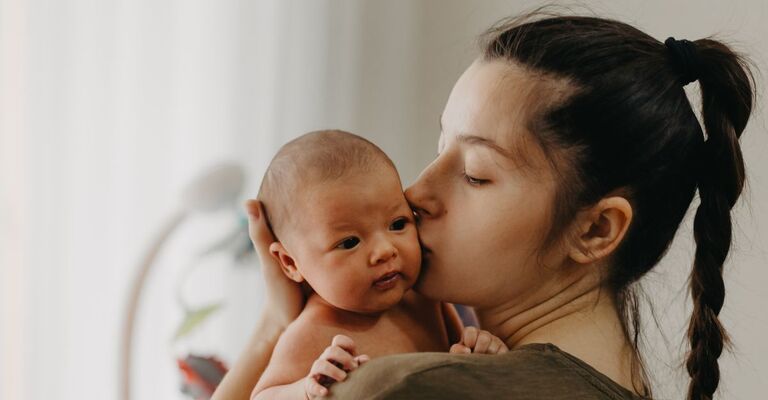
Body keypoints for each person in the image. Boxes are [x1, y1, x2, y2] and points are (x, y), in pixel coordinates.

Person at [213, 11, 755, 400]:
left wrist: (272, 335)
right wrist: (286, 324)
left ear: (595, 230)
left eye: (474, 174)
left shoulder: (410, 387)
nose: (418, 194)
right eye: (438, 147)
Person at [249, 130, 504, 400]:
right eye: (349, 242)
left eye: (397, 224)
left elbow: (458, 357)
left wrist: (478, 352)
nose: (384, 250)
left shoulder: (423, 300)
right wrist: (305, 389)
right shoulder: (310, 332)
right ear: (290, 263)